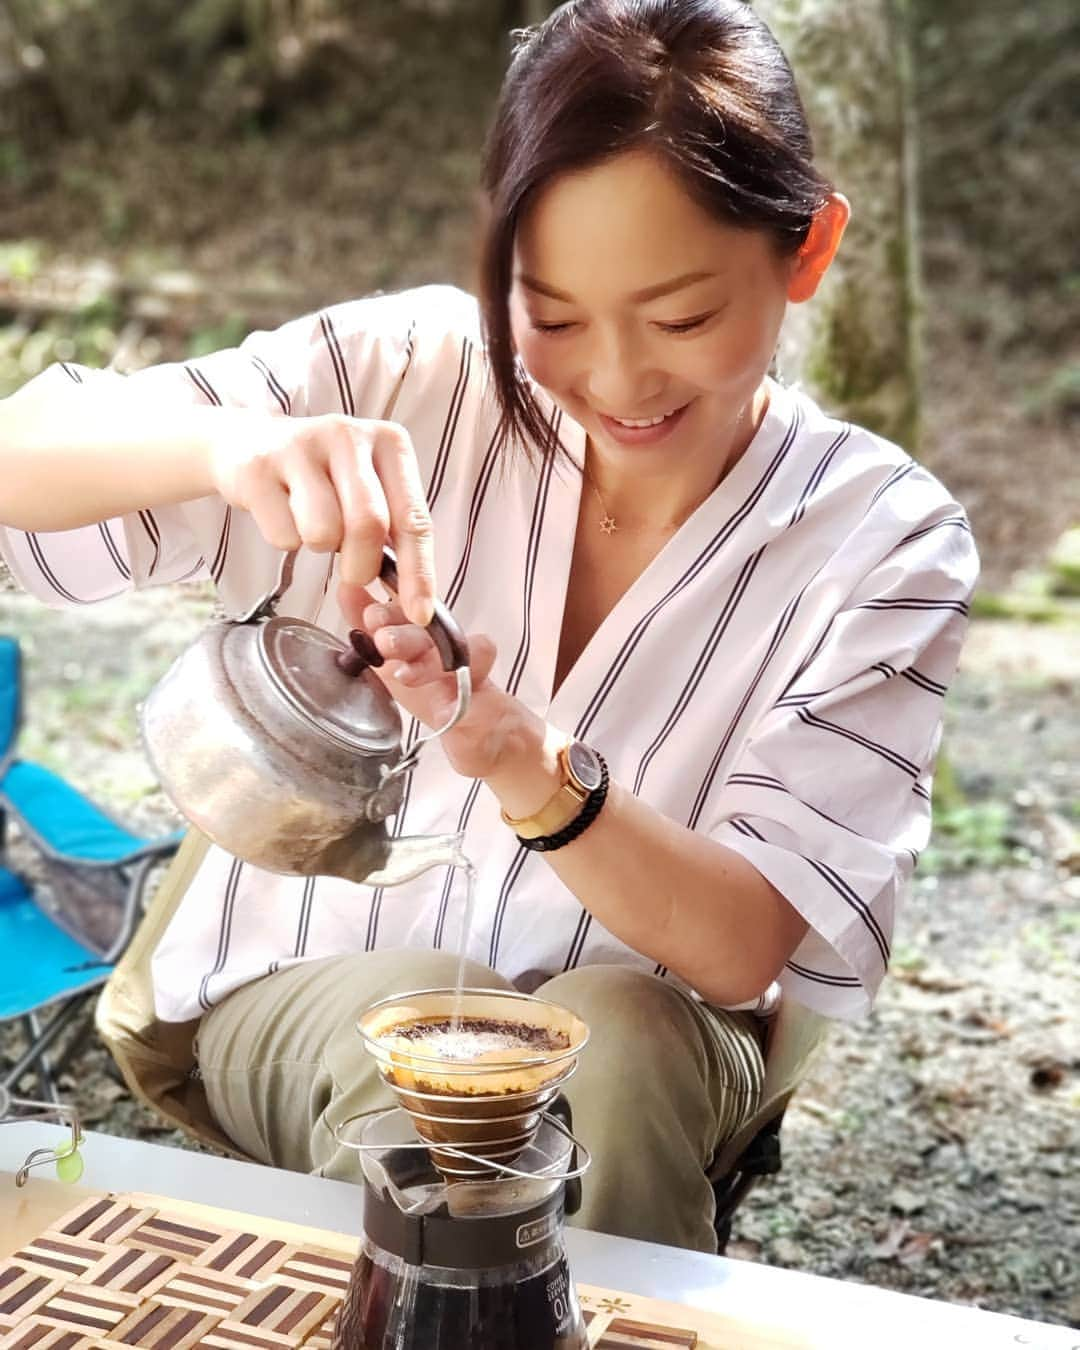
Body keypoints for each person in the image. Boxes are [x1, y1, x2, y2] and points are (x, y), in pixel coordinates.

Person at [0, 0, 977, 1253]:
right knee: (424, 1051)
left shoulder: (884, 537)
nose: (618, 383)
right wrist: (227, 444)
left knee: (614, 1046)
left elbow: (742, 948)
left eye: (681, 319)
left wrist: (529, 769)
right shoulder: (406, 369)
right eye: (554, 316)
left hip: (666, 1032)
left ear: (809, 250)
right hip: (300, 983)